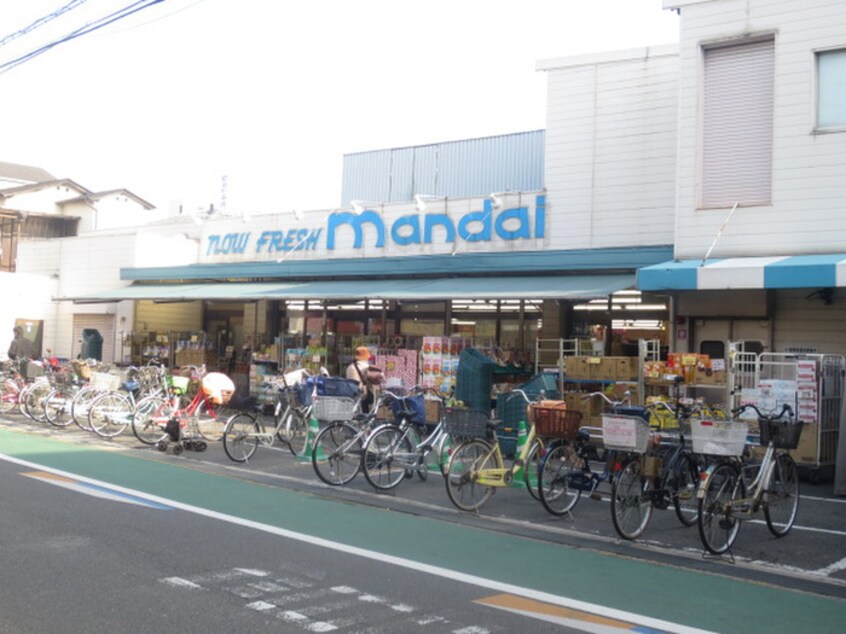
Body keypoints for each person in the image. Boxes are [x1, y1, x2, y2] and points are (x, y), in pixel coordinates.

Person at [346, 345, 374, 413]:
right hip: (362, 393)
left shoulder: (350, 367)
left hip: (351, 393)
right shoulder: (366, 367)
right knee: (364, 412)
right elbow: (370, 383)